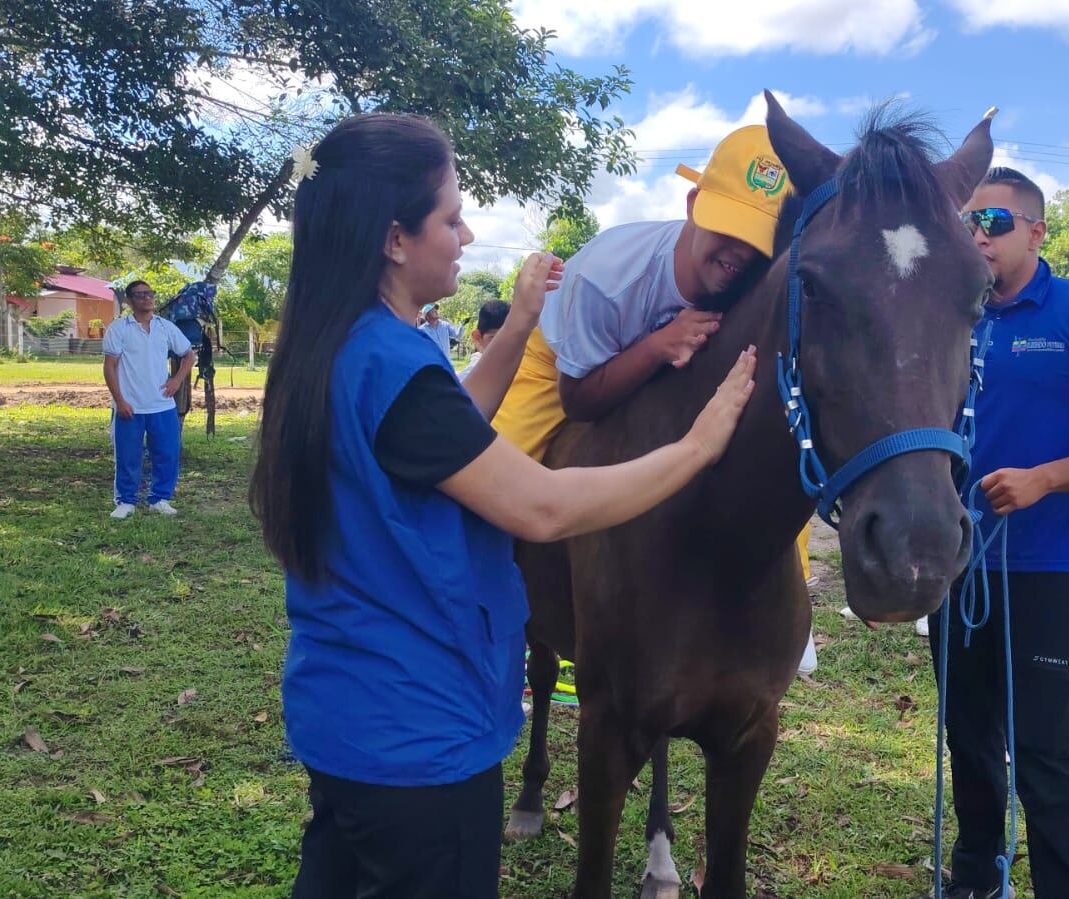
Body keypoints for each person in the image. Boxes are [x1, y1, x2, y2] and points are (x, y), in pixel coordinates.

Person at [248, 112, 757, 899]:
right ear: (394, 239)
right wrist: (694, 449)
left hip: (345, 717)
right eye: (450, 217)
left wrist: (520, 324)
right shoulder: (392, 363)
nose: (466, 232)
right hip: (419, 738)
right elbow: (545, 508)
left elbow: (441, 426)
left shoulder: (347, 344)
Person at [489, 124, 822, 674]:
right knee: (491, 486)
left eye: (761, 241)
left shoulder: (758, 279)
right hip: (561, 366)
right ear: (695, 204)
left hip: (672, 361)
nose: (741, 252)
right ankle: (479, 607)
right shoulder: (609, 276)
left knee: (777, 455)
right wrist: (656, 348)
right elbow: (580, 401)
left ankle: (791, 604)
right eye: (729, 228)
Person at [927, 168, 1069, 899]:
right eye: (964, 222)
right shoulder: (946, 317)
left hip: (1048, 571)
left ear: (1036, 231)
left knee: (1042, 752)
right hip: (955, 568)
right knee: (968, 744)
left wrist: (1044, 479)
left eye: (993, 222)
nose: (976, 236)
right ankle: (974, 879)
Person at [103, 280, 193, 519]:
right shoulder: (119, 328)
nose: (147, 299)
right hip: (129, 406)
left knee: (167, 453)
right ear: (130, 301)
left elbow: (188, 355)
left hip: (162, 404)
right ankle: (126, 501)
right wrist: (119, 400)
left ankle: (160, 499)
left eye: (149, 294)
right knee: (127, 455)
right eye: (140, 295)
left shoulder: (165, 327)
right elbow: (110, 367)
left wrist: (176, 380)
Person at [458, 299, 509, 381]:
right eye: (495, 339)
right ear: (477, 337)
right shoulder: (469, 377)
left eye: (510, 340)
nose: (504, 347)